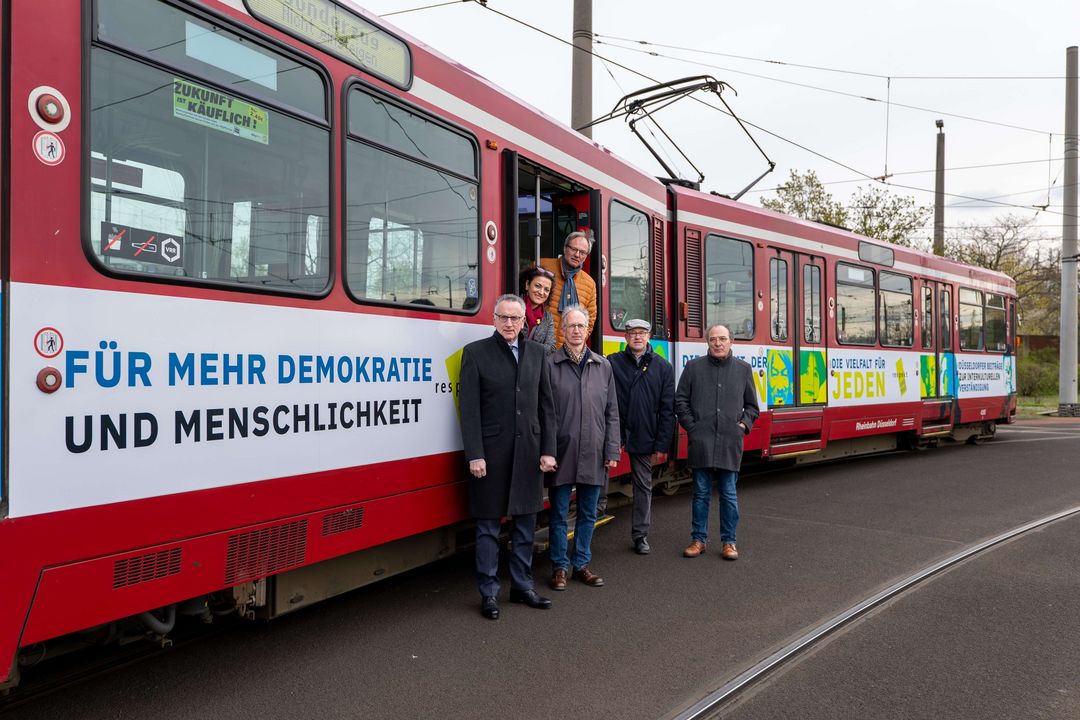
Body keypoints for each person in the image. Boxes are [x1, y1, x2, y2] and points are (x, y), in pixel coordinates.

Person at [459, 294, 558, 620]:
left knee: (525, 526)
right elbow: (469, 410)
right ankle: (488, 593)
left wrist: (548, 450)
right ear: (494, 319)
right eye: (504, 317)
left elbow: (547, 406)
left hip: (529, 454)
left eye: (516, 319)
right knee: (488, 527)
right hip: (490, 457)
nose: (510, 324)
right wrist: (475, 454)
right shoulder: (475, 353)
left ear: (523, 322)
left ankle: (521, 586)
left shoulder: (538, 353)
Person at [545, 305, 621, 590]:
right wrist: (547, 450)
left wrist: (612, 450)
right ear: (562, 330)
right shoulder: (549, 364)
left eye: (581, 326)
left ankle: (581, 565)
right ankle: (559, 568)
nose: (576, 331)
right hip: (561, 452)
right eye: (571, 326)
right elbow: (545, 412)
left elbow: (612, 411)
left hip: (594, 451)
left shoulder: (603, 366)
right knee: (559, 514)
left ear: (588, 330)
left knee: (589, 513)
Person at [674, 324, 759, 561]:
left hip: (730, 442)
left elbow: (752, 407)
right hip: (701, 441)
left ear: (731, 341)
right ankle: (698, 540)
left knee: (729, 495)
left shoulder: (743, 369)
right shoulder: (693, 367)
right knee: (700, 493)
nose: (718, 343)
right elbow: (680, 401)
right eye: (713, 339)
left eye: (722, 339)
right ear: (707, 342)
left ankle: (729, 542)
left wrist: (742, 426)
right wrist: (693, 427)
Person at [608, 319, 676, 555]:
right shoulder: (611, 362)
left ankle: (640, 535)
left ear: (648, 337)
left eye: (642, 333)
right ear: (625, 337)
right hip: (614, 431)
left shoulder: (663, 367)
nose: (637, 336)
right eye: (632, 333)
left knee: (643, 486)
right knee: (596, 481)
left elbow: (668, 410)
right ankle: (590, 525)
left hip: (645, 432)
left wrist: (662, 444)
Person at [539, 231, 597, 349]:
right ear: (565, 248)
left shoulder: (589, 284)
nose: (577, 255)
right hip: (538, 347)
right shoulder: (542, 266)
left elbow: (589, 322)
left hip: (566, 353)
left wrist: (574, 344)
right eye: (573, 249)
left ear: (586, 256)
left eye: (582, 252)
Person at [519, 265, 556, 355]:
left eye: (546, 290)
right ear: (527, 285)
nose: (541, 292)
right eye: (538, 286)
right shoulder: (513, 308)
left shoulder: (547, 317)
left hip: (535, 367)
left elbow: (551, 348)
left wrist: (526, 347)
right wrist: (538, 348)